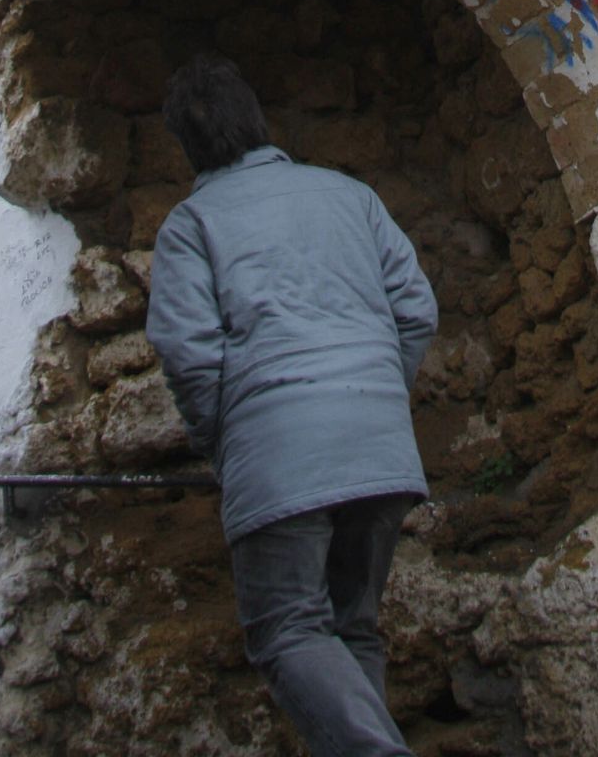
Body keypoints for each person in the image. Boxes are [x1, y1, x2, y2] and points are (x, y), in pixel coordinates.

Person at [146, 52, 438, 757]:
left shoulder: (191, 224)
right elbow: (416, 311)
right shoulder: (350, 195)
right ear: (256, 119)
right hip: (382, 451)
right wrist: (375, 395)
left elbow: (190, 352)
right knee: (352, 628)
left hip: (280, 458)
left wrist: (224, 437)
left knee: (287, 631)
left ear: (186, 144)